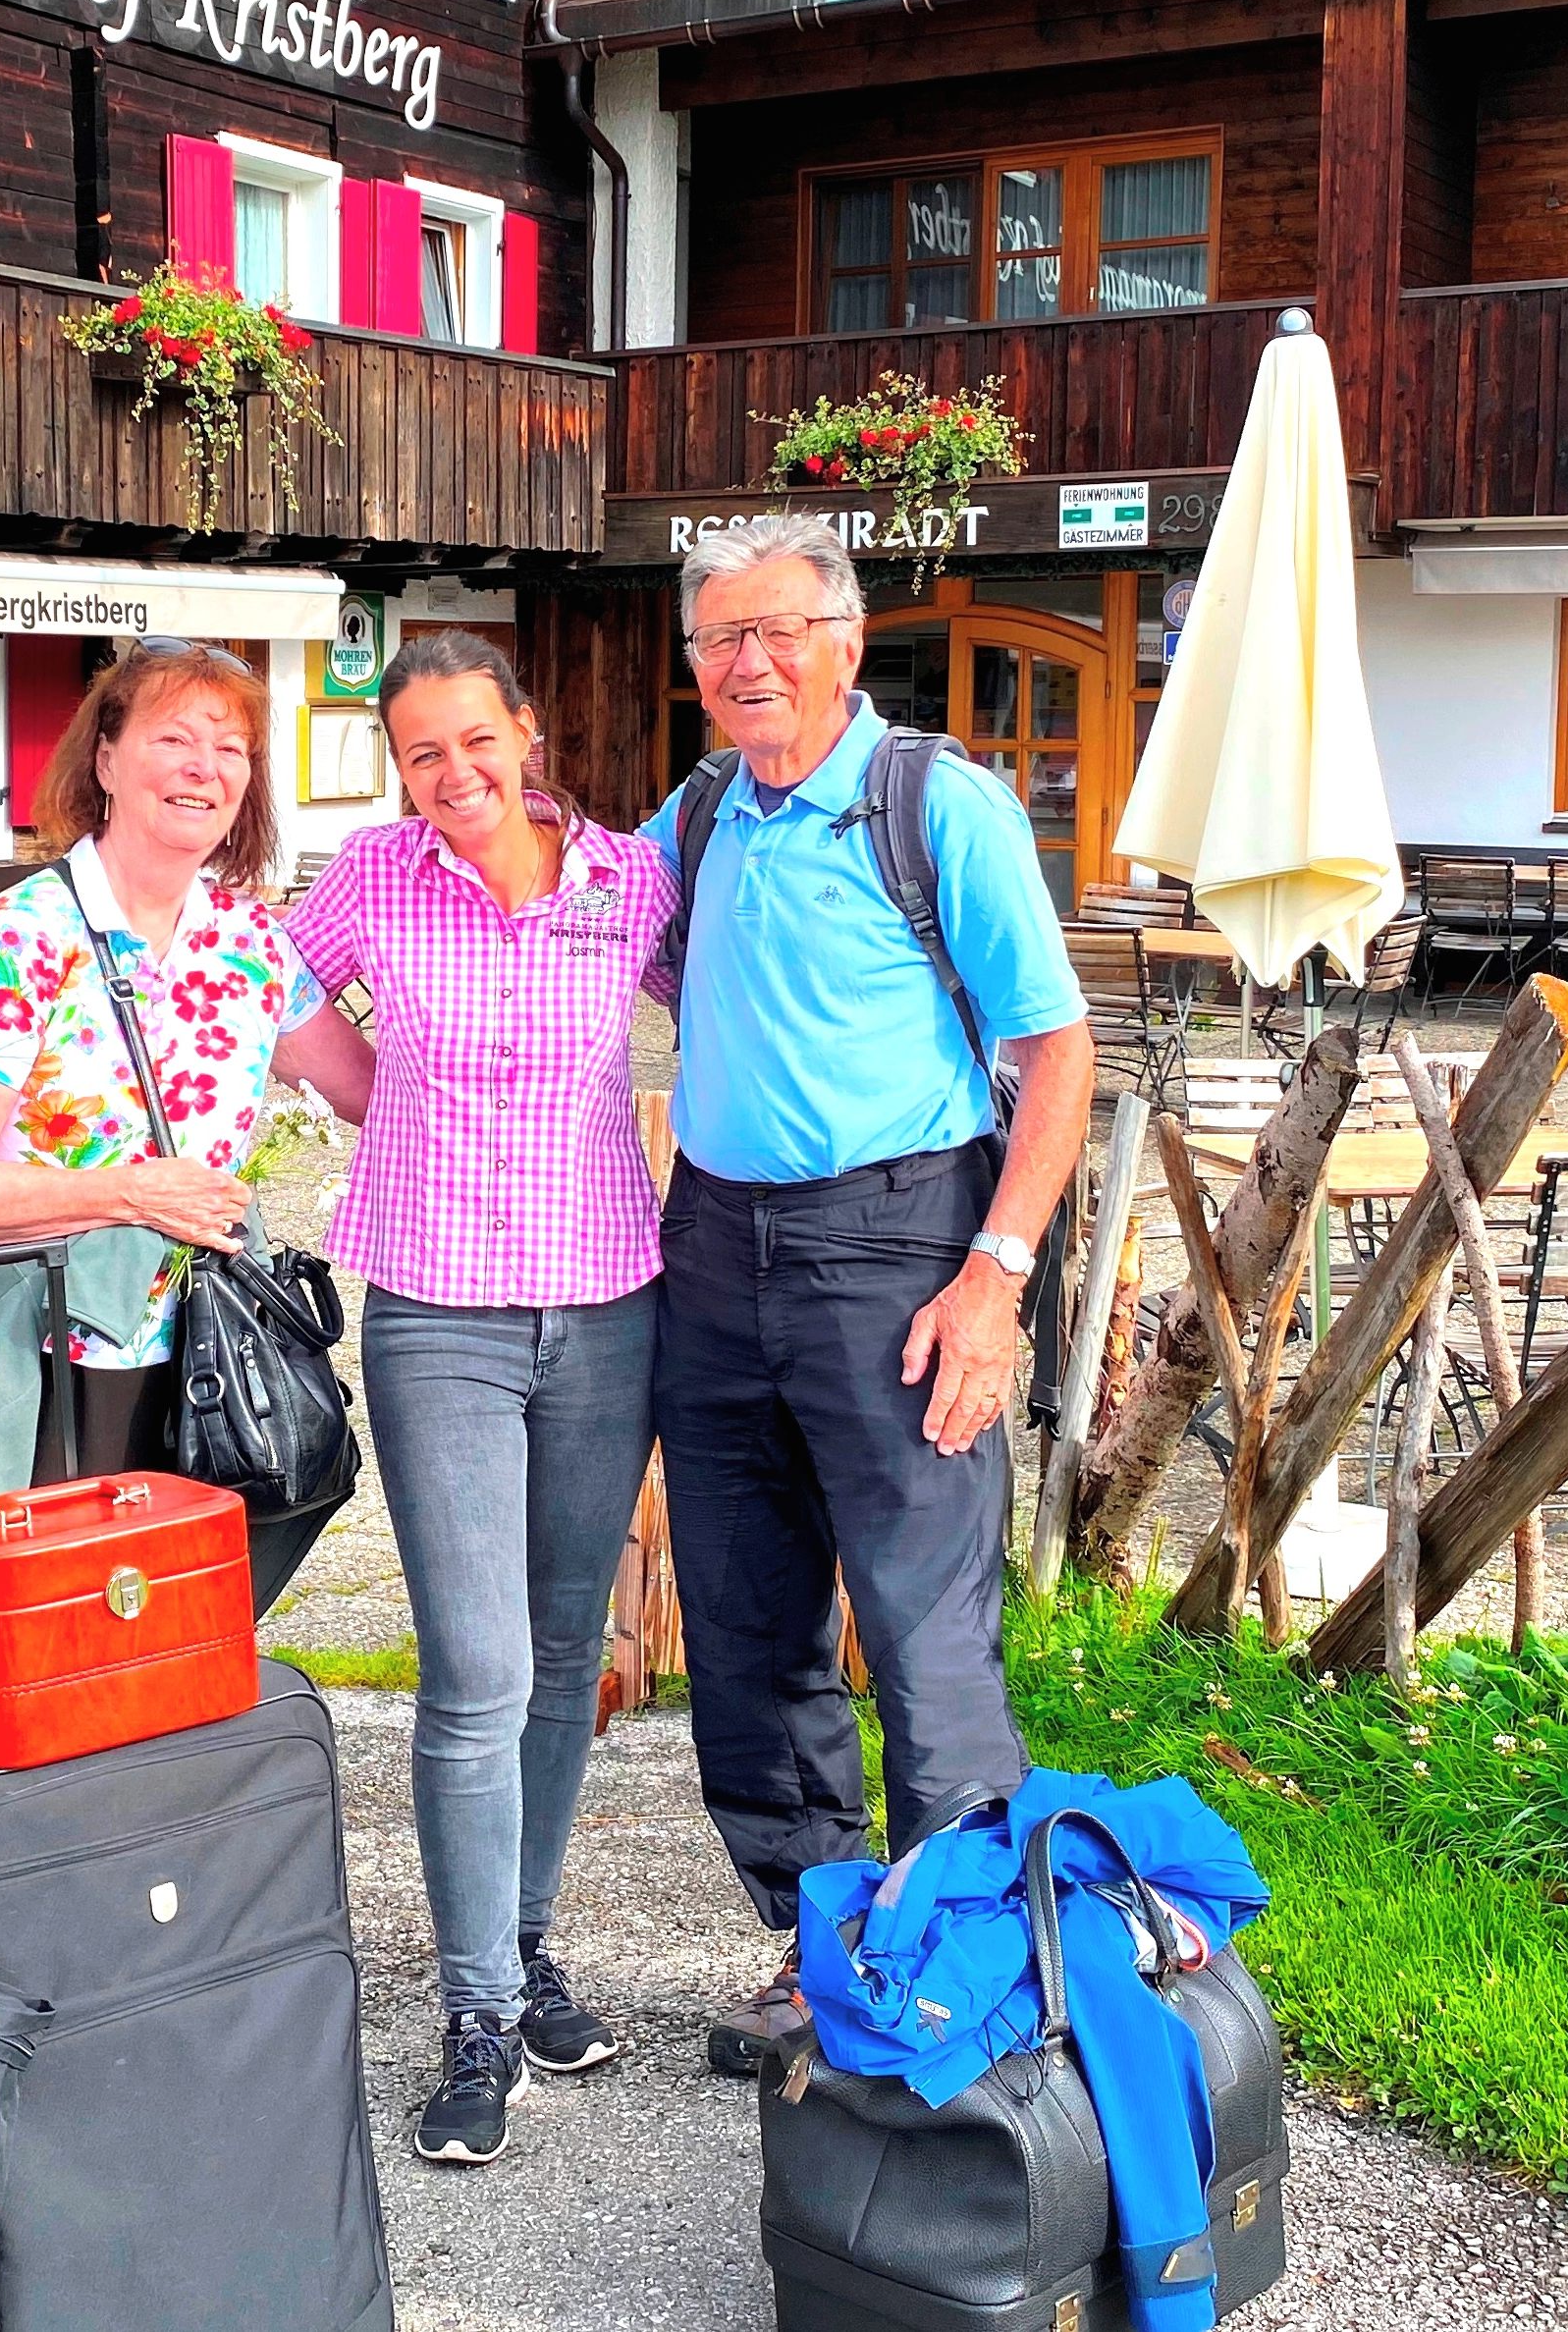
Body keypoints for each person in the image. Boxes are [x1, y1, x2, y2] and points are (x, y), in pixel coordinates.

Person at [644, 515, 1100, 2077]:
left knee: (921, 1631)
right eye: (719, 640)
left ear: (846, 640)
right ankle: (823, 1942)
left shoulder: (936, 808)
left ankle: (968, 1961)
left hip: (900, 1247)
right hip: (709, 1249)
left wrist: (997, 1277)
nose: (747, 663)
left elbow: (1057, 1056)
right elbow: (588, 941)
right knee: (750, 1625)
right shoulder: (701, 812)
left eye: (777, 631)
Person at [283, 633, 677, 2167]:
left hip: (604, 1304)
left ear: (527, 731)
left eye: (474, 743)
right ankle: (470, 2012)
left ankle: (521, 1955)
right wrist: (376, 1092)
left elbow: (734, 992)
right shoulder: (378, 876)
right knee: (477, 1663)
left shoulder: (629, 880)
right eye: (422, 756)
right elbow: (267, 985)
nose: (454, 779)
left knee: (569, 1643)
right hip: (437, 1307)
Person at [0, 639, 371, 1478]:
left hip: (215, 1352)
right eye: (174, 738)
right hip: (47, 1354)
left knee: (193, 1598)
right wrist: (129, 1193)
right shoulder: (27, 932)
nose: (203, 767)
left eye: (231, 750)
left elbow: (377, 1092)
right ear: (106, 758)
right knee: (56, 1603)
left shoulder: (251, 941)